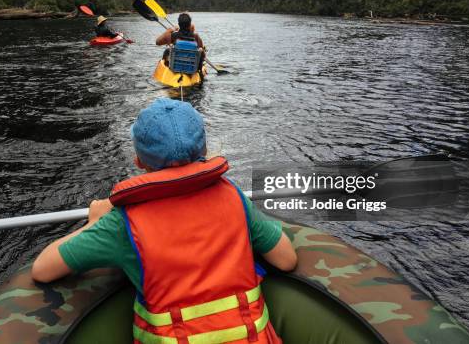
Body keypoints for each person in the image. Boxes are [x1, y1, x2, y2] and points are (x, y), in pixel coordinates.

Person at [32, 98, 297, 344]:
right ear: (205, 148)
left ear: (138, 161)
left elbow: (43, 268)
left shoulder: (122, 223)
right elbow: (286, 259)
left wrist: (94, 222)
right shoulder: (234, 199)